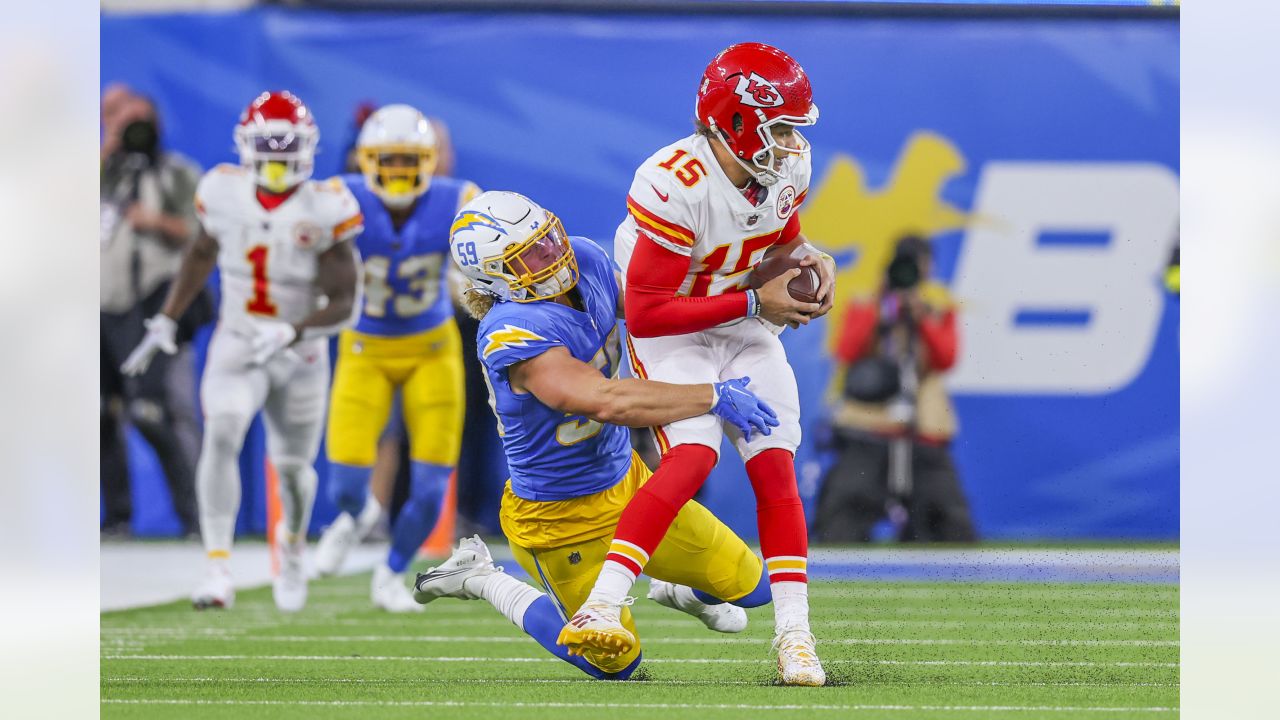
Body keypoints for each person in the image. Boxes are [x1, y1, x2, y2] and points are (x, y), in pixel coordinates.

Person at [412, 190, 779, 680]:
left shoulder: (585, 258)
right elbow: (606, 400)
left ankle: (679, 590)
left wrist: (747, 303)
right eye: (530, 256)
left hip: (627, 483)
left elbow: (651, 311)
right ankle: (479, 578)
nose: (553, 256)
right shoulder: (511, 332)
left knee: (755, 587)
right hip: (558, 518)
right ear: (495, 278)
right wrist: (711, 395)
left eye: (548, 240)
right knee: (614, 664)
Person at [568, 42, 834, 686]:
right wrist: (752, 297)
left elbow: (780, 238)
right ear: (735, 122)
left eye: (796, 128)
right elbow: (650, 311)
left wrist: (806, 259)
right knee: (693, 455)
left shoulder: (782, 172)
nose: (792, 143)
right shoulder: (672, 182)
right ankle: (602, 604)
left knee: (775, 465)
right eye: (779, 128)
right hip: (675, 330)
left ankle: (795, 637)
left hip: (740, 321)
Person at [122, 90, 364, 612]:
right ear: (247, 146)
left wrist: (293, 331)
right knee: (224, 427)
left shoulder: (326, 205)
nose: (276, 160)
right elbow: (201, 251)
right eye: (268, 147)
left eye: (285, 148)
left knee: (295, 471)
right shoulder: (222, 191)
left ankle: (292, 544)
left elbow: (345, 302)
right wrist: (166, 317)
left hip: (299, 354)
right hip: (238, 339)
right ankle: (217, 567)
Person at [310, 104, 480, 612]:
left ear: (429, 160)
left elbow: (482, 270)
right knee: (344, 483)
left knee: (430, 487)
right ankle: (358, 515)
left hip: (431, 349)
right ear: (366, 159)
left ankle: (391, 572)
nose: (399, 170)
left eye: (410, 160)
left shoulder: (459, 200)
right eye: (389, 159)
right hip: (364, 346)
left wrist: (469, 285)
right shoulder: (341, 197)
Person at [815, 235, 977, 543]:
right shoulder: (868, 303)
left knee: (951, 529)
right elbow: (847, 352)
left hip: (923, 427)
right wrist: (880, 308)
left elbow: (946, 358)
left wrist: (922, 317)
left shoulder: (938, 306)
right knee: (840, 525)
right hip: (868, 426)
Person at [100, 86, 207, 538]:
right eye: (120, 118)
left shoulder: (177, 173)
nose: (133, 128)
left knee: (156, 411)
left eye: (139, 119)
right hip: (101, 307)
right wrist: (109, 144)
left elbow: (203, 235)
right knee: (100, 413)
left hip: (155, 309)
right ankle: (119, 518)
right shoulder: (103, 174)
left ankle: (196, 517)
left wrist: (157, 221)